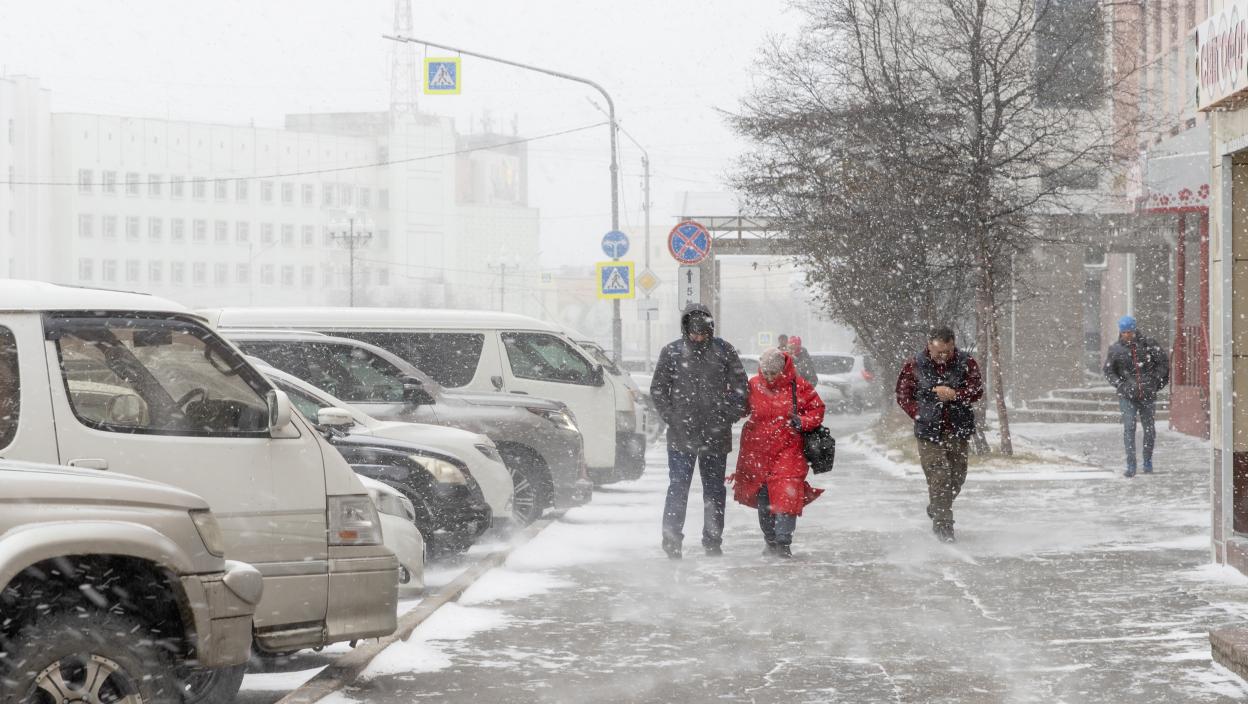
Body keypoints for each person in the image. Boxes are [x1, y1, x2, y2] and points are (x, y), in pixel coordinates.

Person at [650, 303, 750, 558]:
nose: (698, 338)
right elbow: (658, 390)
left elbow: (741, 388)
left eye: (703, 333)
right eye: (694, 333)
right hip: (681, 434)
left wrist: (727, 415)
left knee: (714, 489)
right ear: (686, 329)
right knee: (678, 487)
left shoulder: (723, 350)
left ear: (710, 330)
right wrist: (672, 417)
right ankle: (672, 541)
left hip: (716, 433)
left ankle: (713, 539)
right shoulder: (672, 352)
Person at [731, 348, 825, 558]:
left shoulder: (798, 386)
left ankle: (783, 542)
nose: (770, 377)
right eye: (766, 372)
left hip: (789, 448)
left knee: (786, 494)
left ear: (783, 370)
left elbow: (817, 409)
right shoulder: (754, 384)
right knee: (763, 497)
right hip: (758, 449)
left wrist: (802, 422)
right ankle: (770, 539)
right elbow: (741, 409)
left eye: (774, 373)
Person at [894, 326, 984, 543]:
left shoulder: (965, 362)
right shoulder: (915, 364)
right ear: (929, 346)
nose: (942, 356)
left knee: (957, 477)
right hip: (928, 431)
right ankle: (944, 527)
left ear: (953, 345)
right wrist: (920, 413)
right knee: (939, 476)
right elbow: (903, 395)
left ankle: (936, 506)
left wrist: (956, 395)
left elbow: (977, 390)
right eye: (938, 352)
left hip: (958, 428)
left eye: (947, 351)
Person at [1103, 315, 1169, 478]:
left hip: (1147, 394)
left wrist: (1155, 382)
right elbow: (1109, 371)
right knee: (1129, 428)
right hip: (1127, 395)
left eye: (1130, 331)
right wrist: (1120, 384)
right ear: (1120, 332)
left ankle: (1147, 461)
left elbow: (1163, 364)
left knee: (1149, 429)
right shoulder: (1115, 349)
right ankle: (1131, 464)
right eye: (1124, 332)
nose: (1127, 335)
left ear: (1134, 329)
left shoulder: (1149, 345)